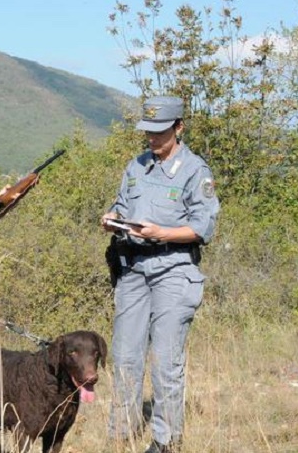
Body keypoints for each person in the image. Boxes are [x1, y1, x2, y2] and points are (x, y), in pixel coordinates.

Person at [101, 96, 220, 453]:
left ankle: (166, 440)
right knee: (125, 355)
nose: (152, 139)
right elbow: (123, 205)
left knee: (166, 360)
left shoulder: (195, 171)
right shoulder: (136, 166)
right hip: (134, 269)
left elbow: (203, 227)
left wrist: (162, 233)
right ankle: (121, 432)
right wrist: (111, 218)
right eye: (148, 132)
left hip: (174, 268)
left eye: (160, 132)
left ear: (178, 127)